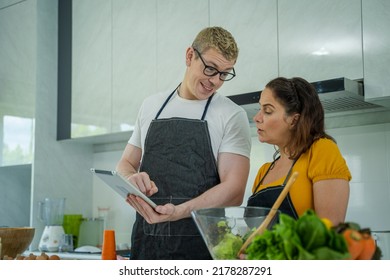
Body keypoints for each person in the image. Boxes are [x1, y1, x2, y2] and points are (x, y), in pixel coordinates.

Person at [116, 26, 252, 260]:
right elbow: (126, 163)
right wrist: (131, 179)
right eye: (210, 69)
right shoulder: (151, 106)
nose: (215, 81)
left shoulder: (231, 114)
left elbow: (234, 191)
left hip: (201, 251)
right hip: (146, 246)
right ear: (190, 56)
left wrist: (179, 212)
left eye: (224, 73)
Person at [247, 77, 351, 226]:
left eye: (268, 111)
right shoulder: (263, 172)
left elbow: (330, 230)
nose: (257, 118)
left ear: (294, 120)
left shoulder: (321, 151)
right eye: (259, 108)